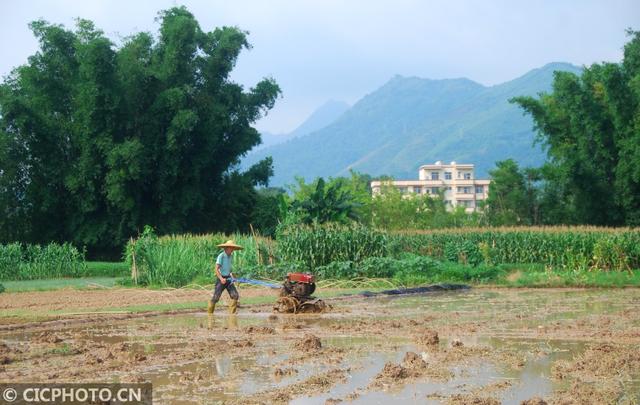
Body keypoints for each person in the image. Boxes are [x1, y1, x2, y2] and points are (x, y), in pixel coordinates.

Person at [208, 240, 243, 314]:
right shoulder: (221, 256)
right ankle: (210, 314)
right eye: (231, 248)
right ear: (227, 248)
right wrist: (221, 278)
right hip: (221, 279)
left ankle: (231, 315)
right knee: (216, 298)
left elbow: (229, 269)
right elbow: (216, 269)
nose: (232, 250)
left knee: (235, 296)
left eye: (233, 248)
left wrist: (233, 276)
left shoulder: (230, 256)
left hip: (228, 279)